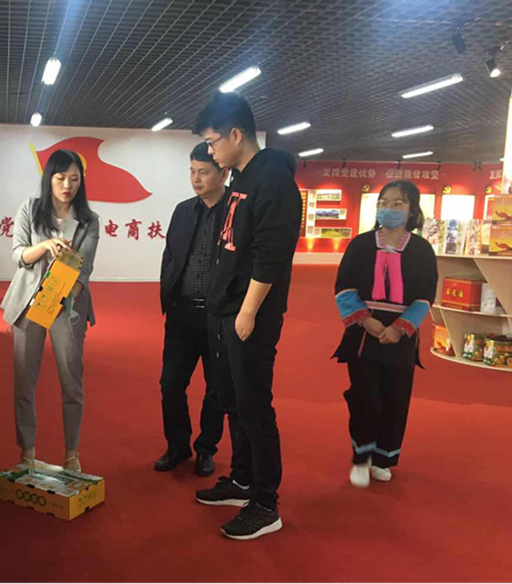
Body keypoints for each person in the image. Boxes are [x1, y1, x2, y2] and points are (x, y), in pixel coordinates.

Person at [191, 92, 301, 540]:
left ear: (236, 135)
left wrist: (249, 311)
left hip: (248, 315)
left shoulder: (273, 179)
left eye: (213, 142)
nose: (211, 151)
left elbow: (272, 254)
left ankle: (265, 502)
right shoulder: (242, 178)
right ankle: (242, 479)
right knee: (232, 399)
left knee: (255, 405)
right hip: (226, 309)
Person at [0, 149, 100, 472]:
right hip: (29, 303)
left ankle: (72, 452)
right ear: (49, 179)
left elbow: (85, 269)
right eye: (60, 178)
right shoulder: (30, 209)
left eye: (74, 179)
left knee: (72, 382)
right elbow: (18, 255)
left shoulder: (89, 219)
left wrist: (65, 294)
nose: (67, 186)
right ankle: (27, 451)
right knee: (24, 382)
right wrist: (44, 246)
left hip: (67, 306)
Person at [334, 180, 437, 488]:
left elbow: (425, 296)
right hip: (363, 334)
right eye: (383, 202)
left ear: (412, 211)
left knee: (395, 399)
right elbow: (344, 287)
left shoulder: (422, 250)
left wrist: (400, 328)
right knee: (364, 398)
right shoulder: (360, 245)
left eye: (397, 203)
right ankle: (361, 456)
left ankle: (384, 458)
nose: (388, 208)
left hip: (401, 337)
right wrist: (364, 320)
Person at [155, 142, 232, 477]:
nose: (196, 179)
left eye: (203, 172)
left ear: (223, 173)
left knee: (216, 388)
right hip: (182, 313)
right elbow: (170, 255)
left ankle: (206, 449)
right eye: (192, 172)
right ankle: (177, 445)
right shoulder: (183, 210)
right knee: (170, 383)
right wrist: (169, 296)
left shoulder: (236, 210)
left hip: (218, 316)